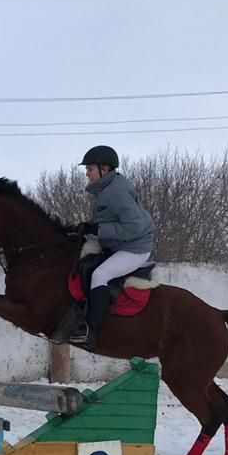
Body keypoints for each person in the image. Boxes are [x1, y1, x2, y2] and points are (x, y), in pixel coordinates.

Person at [66, 144, 156, 347]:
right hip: (118, 243)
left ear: (104, 169)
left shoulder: (116, 192)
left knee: (100, 275)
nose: (87, 174)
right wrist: (89, 227)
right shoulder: (105, 189)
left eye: (90, 169)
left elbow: (135, 226)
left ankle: (91, 329)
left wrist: (99, 230)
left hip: (135, 248)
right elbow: (108, 220)